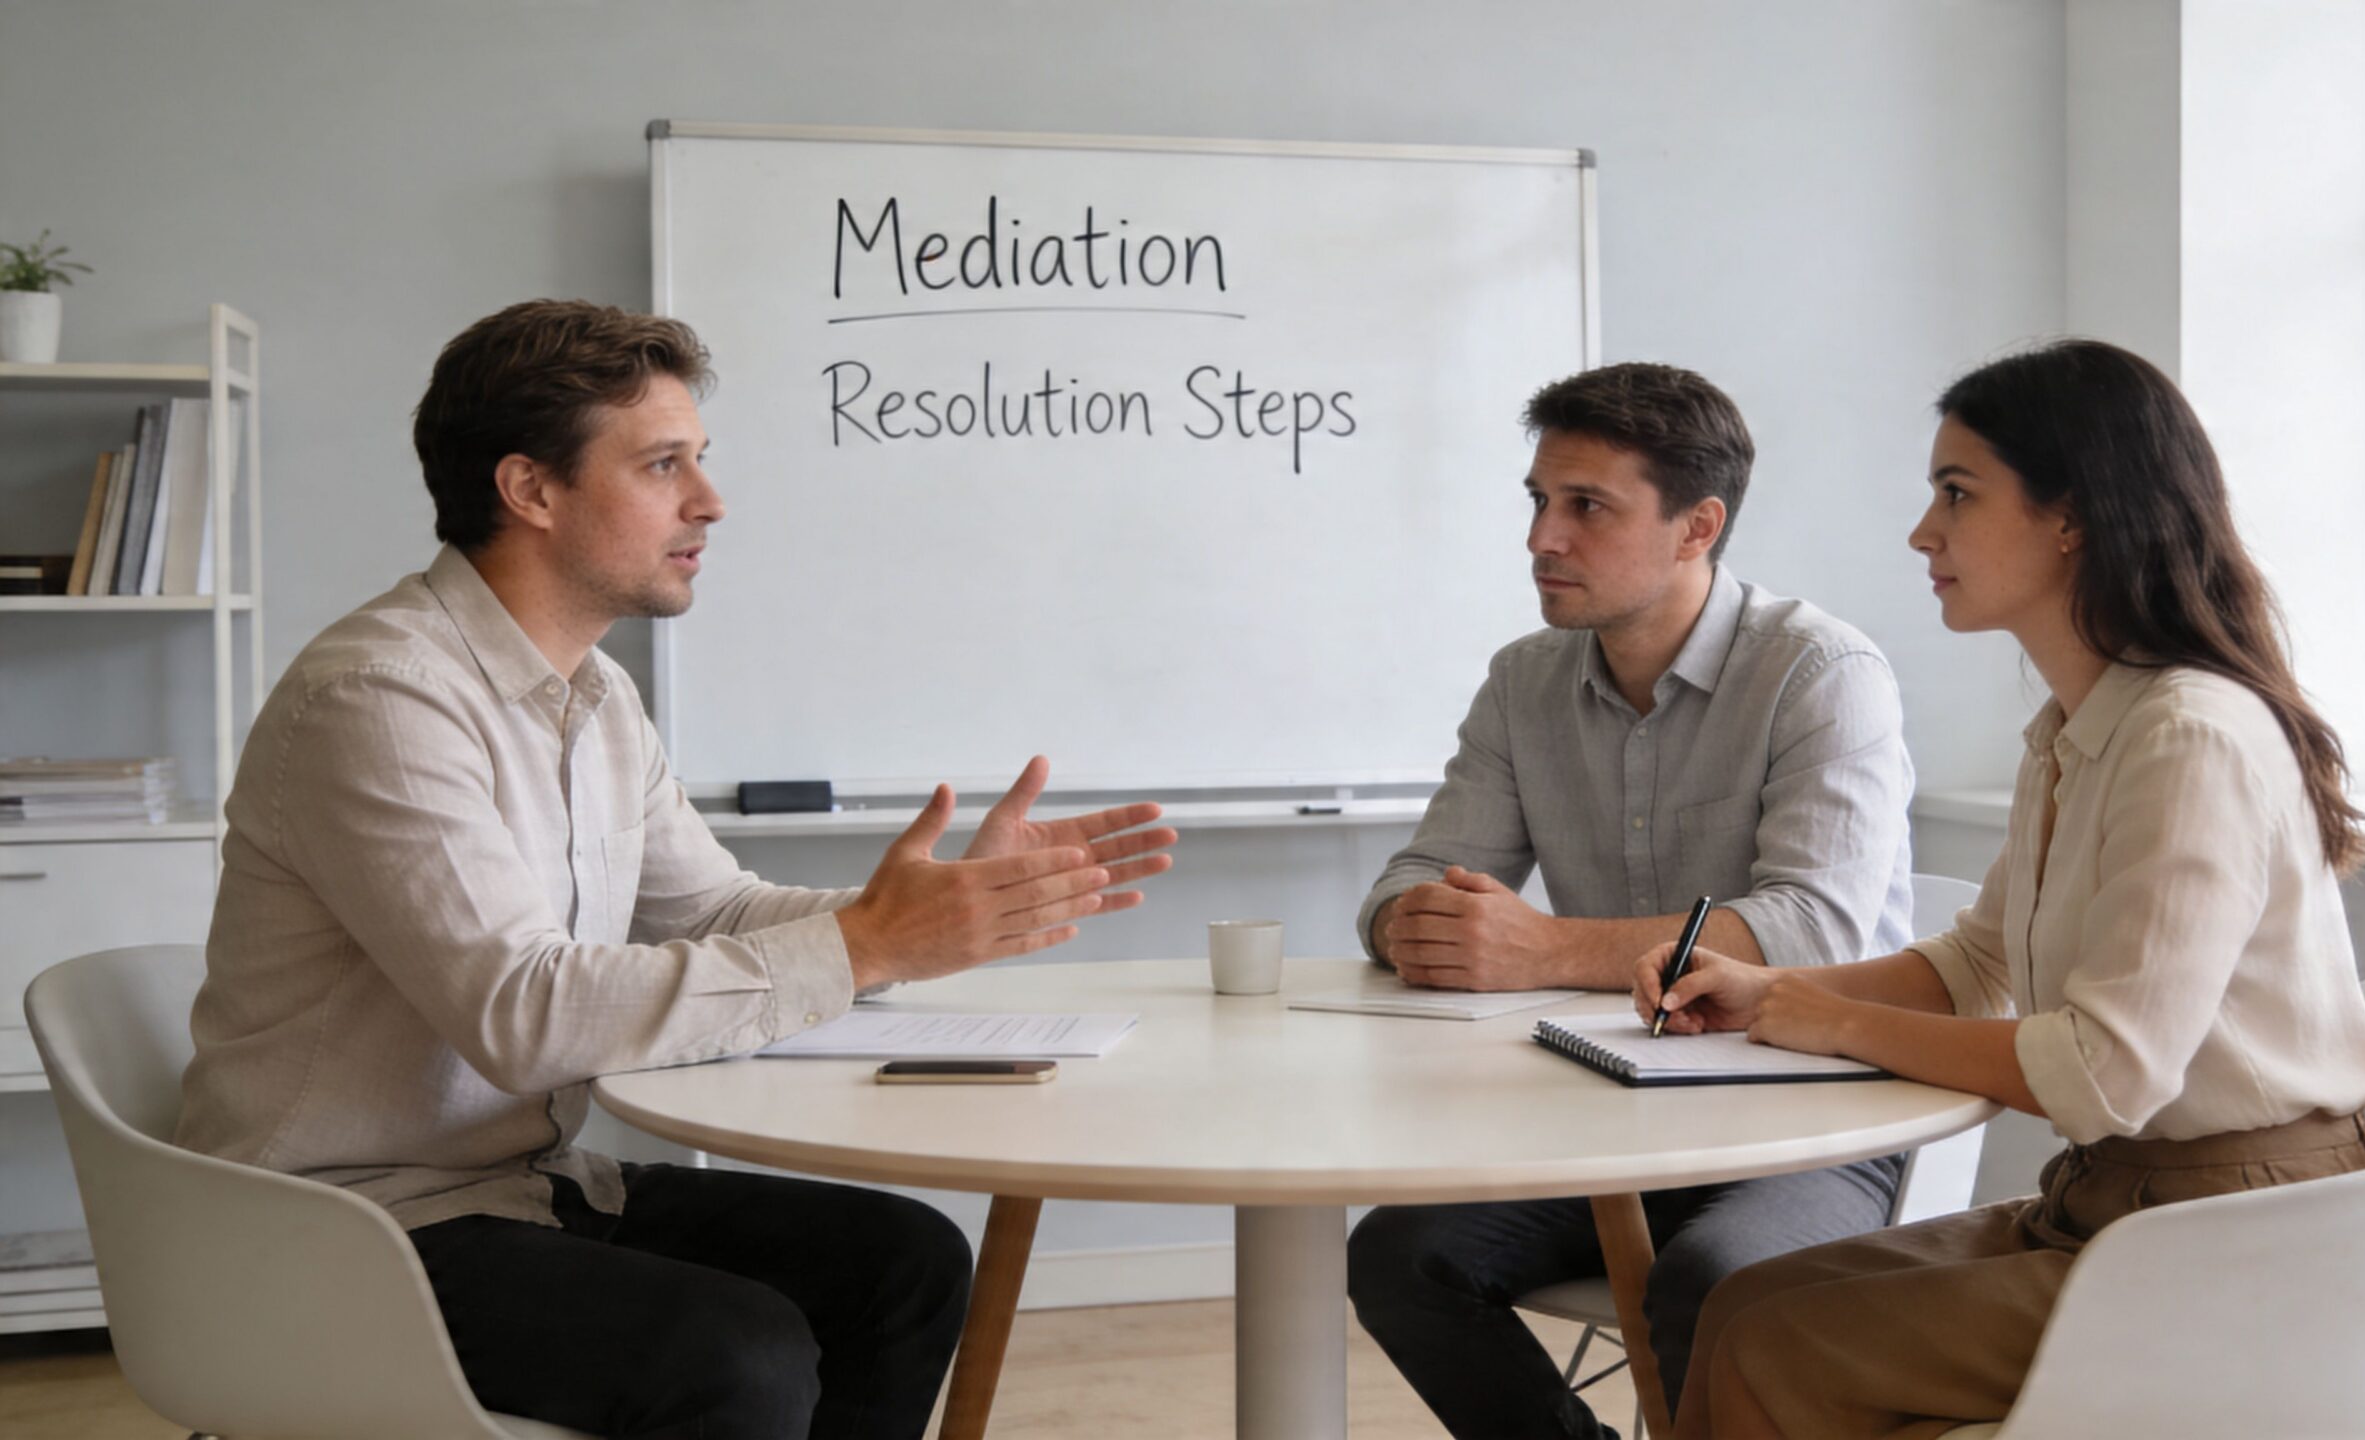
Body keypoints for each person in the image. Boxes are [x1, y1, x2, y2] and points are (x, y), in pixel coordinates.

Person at [174, 299, 1178, 1440]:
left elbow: (713, 909)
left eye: (699, 460)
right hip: (344, 1229)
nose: (708, 500)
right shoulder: (382, 699)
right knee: (735, 1355)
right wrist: (870, 943)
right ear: (530, 490)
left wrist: (918, 913)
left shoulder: (596, 697)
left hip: (522, 1191)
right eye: (662, 465)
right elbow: (522, 1015)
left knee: (903, 1263)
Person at [1642, 338, 2365, 1440]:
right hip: (2117, 1199)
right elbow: (1977, 961)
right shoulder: (2079, 727)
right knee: (1743, 1299)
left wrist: (1827, 1018)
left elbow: (2103, 1075)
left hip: (2240, 1232)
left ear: (2070, 516)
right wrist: (1768, 998)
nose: (1920, 532)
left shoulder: (2188, 736)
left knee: (1772, 1343)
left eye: (1956, 492)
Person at [1346, 361, 1917, 1438]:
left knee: (1716, 1281)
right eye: (1537, 501)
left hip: (1818, 1111)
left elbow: (1811, 930)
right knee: (1399, 1255)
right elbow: (1411, 881)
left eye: (1585, 508)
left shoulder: (1821, 672)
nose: (1540, 540)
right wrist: (1417, 925)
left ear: (1696, 527)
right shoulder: (1525, 680)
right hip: (1608, 1110)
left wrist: (1538, 950)